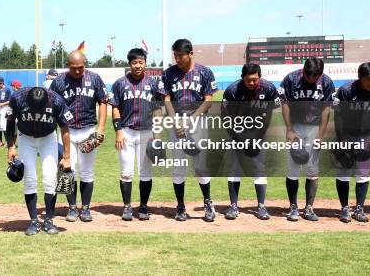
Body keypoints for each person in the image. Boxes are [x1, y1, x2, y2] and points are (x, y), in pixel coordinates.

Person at [162, 39, 218, 222]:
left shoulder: (204, 72)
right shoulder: (169, 73)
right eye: (175, 55)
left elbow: (208, 100)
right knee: (179, 167)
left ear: (190, 53)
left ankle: (208, 202)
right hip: (176, 122)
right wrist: (175, 121)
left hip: (198, 122)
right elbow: (167, 99)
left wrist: (191, 120)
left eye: (180, 55)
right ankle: (180, 206)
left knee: (200, 167)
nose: (177, 59)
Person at [5, 87, 73, 235]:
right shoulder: (17, 98)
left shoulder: (56, 100)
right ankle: (34, 222)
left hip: (48, 138)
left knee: (50, 179)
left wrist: (67, 157)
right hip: (26, 137)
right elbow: (10, 123)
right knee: (29, 179)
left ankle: (48, 221)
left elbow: (65, 128)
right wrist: (10, 146)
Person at [49, 51, 107, 222]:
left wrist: (101, 128)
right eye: (74, 68)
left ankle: (86, 208)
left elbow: (103, 101)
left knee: (87, 171)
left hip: (88, 130)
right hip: (66, 131)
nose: (78, 71)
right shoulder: (59, 81)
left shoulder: (94, 78)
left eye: (81, 67)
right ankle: (72, 207)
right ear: (68, 65)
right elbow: (51, 105)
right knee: (67, 170)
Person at [110, 48, 164, 221]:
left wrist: (158, 134)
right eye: (134, 62)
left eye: (141, 62)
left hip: (147, 132)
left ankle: (143, 206)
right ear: (129, 64)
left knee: (145, 172)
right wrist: (118, 131)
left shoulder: (153, 84)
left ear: (145, 63)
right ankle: (127, 207)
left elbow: (157, 109)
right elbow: (115, 107)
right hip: (126, 131)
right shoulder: (120, 83)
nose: (138, 66)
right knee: (126, 172)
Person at [222, 63, 280, 220]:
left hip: (258, 131)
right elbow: (225, 117)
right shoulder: (232, 91)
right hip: (237, 130)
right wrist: (238, 137)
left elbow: (269, 114)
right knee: (235, 167)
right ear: (242, 78)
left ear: (259, 77)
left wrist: (259, 137)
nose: (252, 83)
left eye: (255, 80)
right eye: (249, 80)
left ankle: (261, 206)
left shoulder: (268, 89)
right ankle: (233, 206)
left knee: (258, 167)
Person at [279, 57, 334, 222]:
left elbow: (326, 109)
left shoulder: (326, 82)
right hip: (295, 126)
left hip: (314, 128)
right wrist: (289, 130)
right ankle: (293, 207)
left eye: (315, 77)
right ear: (303, 71)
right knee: (293, 168)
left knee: (312, 170)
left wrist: (321, 135)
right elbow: (285, 104)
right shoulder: (290, 79)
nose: (312, 80)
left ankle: (309, 207)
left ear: (320, 74)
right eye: (309, 77)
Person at [333, 62, 370, 223]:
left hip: (367, 136)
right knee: (344, 172)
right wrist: (341, 140)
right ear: (360, 78)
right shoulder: (345, 91)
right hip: (347, 135)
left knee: (363, 174)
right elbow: (338, 116)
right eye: (368, 79)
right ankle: (344, 208)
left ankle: (359, 209)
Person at [0, 77, 11, 147]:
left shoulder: (7, 90)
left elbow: (9, 101)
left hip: (4, 107)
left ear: (1, 83)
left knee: (3, 124)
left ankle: (7, 141)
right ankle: (0, 141)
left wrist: (2, 104)